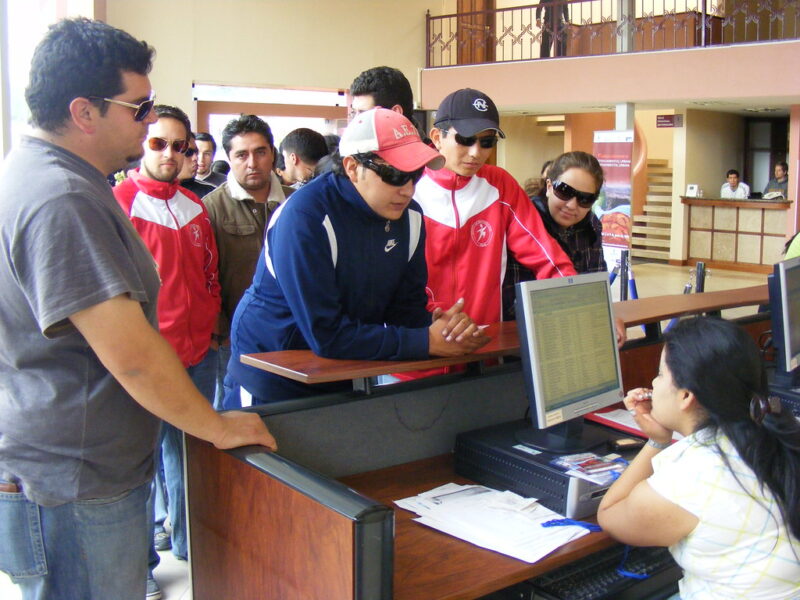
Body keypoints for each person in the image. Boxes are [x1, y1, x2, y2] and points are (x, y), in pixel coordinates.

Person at [0, 17, 275, 600]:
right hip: (74, 481)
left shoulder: (56, 178)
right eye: (140, 107)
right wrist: (215, 426)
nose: (152, 120)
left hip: (71, 466)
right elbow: (131, 357)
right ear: (84, 113)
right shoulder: (62, 196)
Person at [223, 108, 490, 407]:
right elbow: (326, 334)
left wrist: (442, 327)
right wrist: (425, 341)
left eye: (415, 174)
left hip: (342, 373)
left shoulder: (411, 217)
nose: (407, 189)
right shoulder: (305, 217)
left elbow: (404, 309)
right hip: (270, 376)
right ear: (352, 167)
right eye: (394, 174)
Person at [597, 316, 800, 598]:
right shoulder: (781, 433)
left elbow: (610, 514)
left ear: (686, 396)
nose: (653, 385)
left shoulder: (689, 478)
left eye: (659, 375)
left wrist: (657, 441)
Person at [414, 88, 576, 333]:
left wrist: (583, 303)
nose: (476, 152)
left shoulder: (500, 185)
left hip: (482, 346)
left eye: (486, 142)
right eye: (465, 139)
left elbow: (545, 254)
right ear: (437, 137)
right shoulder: (408, 187)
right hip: (419, 349)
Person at [202, 115, 288, 409]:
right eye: (242, 154)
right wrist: (220, 329)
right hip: (234, 336)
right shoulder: (210, 208)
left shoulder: (296, 202)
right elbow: (206, 276)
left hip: (289, 333)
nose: (252, 163)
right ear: (229, 158)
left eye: (260, 152)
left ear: (273, 154)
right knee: (232, 409)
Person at [503, 151, 608, 321]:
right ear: (549, 187)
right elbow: (511, 299)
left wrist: (606, 316)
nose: (572, 205)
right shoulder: (523, 221)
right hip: (524, 325)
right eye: (564, 191)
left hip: (573, 320)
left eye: (585, 199)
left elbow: (595, 284)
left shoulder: (592, 225)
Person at [179, 132, 217, 198]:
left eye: (195, 152)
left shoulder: (211, 194)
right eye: (189, 152)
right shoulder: (158, 193)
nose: (196, 158)